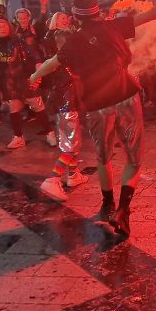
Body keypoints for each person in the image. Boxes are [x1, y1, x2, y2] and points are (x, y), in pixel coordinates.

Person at [29, 0, 156, 238]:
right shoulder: (114, 26)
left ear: (75, 16)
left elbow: (53, 61)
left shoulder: (73, 41)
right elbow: (151, 15)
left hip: (96, 104)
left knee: (103, 157)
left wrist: (34, 76)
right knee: (134, 159)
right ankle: (123, 211)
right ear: (97, 12)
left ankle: (108, 204)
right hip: (126, 96)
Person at [37, 30, 90, 201]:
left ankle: (73, 175)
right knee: (70, 147)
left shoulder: (58, 62)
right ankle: (53, 179)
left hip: (66, 108)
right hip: (68, 108)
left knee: (73, 142)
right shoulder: (64, 64)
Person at [0, 16, 53, 148]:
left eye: (4, 25)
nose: (2, 28)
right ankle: (18, 136)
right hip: (9, 84)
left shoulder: (19, 42)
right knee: (14, 109)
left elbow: (35, 57)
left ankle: (50, 133)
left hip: (25, 80)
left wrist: (37, 73)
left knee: (38, 106)